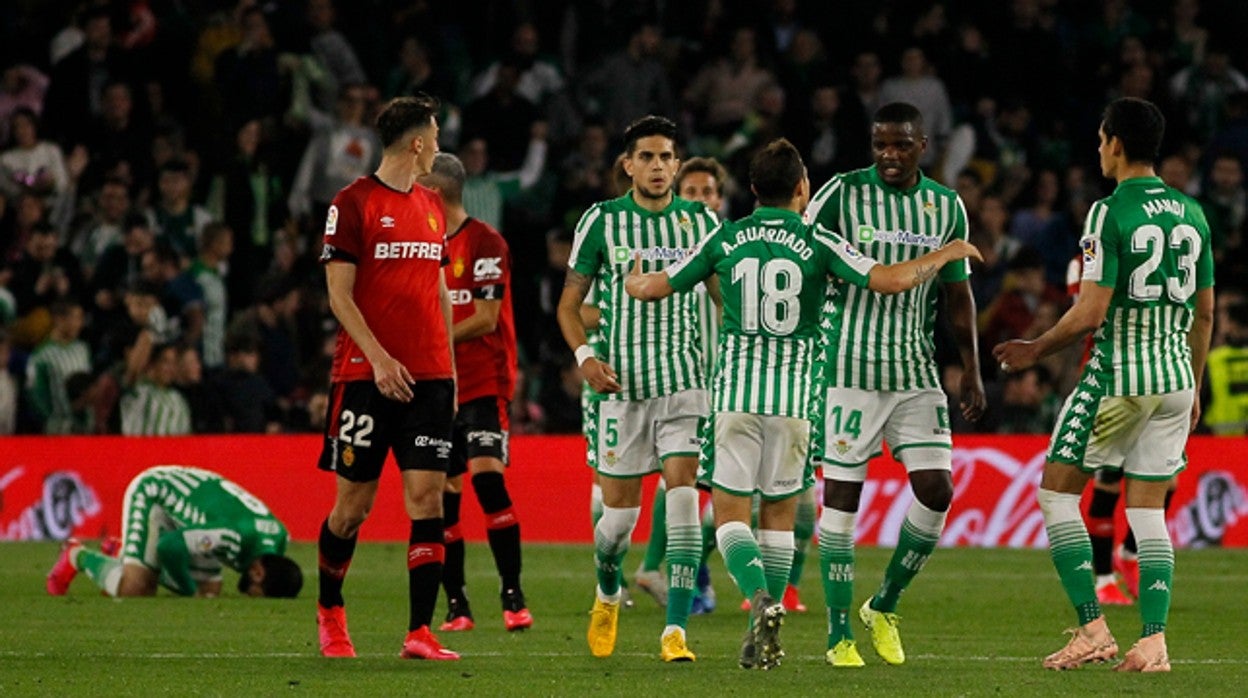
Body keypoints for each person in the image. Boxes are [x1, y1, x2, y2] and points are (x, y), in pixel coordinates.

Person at [626, 138, 982, 669]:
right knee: (777, 517)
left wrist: (633, 280)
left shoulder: (725, 238)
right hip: (795, 404)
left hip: (736, 399)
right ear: (801, 188)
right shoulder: (818, 241)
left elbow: (656, 287)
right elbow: (887, 280)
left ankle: (760, 601)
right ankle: (769, 615)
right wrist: (945, 253)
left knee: (728, 518)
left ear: (750, 190)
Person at [994, 97, 1215, 672]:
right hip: (1174, 381)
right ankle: (1154, 641)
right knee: (1148, 512)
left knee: (1056, 493)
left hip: (1119, 378)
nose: (1098, 150)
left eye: (1100, 140)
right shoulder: (1193, 213)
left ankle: (1093, 629)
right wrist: (1194, 387)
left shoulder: (1108, 211)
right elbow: (1206, 312)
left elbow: (1091, 313)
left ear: (1115, 142)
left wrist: (1035, 348)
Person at [805, 102, 987, 667]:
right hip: (846, 373)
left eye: (901, 145)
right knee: (841, 499)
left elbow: (958, 295)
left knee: (937, 490)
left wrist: (972, 369)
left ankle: (883, 604)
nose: (889, 154)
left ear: (923, 145)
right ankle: (838, 633)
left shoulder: (945, 205)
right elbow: (802, 261)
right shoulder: (839, 194)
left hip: (914, 373)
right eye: (881, 144)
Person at [556, 115, 718, 662]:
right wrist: (586, 359)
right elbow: (568, 307)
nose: (656, 166)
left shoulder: (701, 222)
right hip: (621, 387)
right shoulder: (602, 221)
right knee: (618, 524)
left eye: (665, 157)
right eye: (645, 157)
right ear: (627, 164)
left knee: (682, 501)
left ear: (677, 163)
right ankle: (607, 590)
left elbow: (725, 301)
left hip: (684, 384)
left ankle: (674, 631)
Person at [313, 94, 460, 661]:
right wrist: (377, 358)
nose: (440, 145)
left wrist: (446, 370)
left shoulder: (430, 205)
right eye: (437, 135)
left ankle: (420, 632)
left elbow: (440, 291)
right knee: (353, 509)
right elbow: (338, 295)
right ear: (418, 142)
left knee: (427, 501)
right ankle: (331, 610)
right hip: (363, 377)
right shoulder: (352, 203)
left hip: (428, 377)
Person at [418, 153, 532, 633]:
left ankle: (513, 594)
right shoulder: (422, 246)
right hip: (440, 383)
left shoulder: (486, 242)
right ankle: (457, 604)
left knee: (487, 479)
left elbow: (485, 318)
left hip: (484, 381)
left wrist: (427, 335)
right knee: (444, 494)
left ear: (436, 194)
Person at [46, 465, 302, 598]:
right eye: (257, 595)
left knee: (210, 592)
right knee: (136, 589)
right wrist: (190, 592)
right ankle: (75, 555)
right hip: (157, 491)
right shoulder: (230, 535)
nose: (250, 597)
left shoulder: (279, 536)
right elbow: (170, 546)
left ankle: (126, 553)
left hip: (202, 506)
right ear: (258, 572)